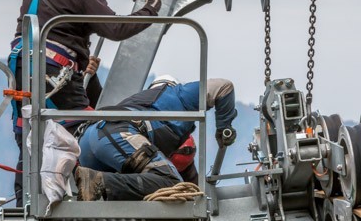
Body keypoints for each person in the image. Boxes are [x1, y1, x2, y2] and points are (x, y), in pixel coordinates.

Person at [8, 0, 163, 206]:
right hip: (53, 72)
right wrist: (150, 11)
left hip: (21, 66)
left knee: (30, 132)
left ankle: (25, 202)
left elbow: (54, 21)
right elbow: (116, 29)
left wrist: (78, 58)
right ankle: (82, 195)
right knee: (87, 130)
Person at [74, 76, 238, 201]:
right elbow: (223, 87)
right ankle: (99, 182)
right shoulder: (179, 94)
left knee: (141, 185)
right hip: (116, 133)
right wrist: (224, 127)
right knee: (173, 185)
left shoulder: (142, 101)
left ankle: (96, 184)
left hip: (89, 141)